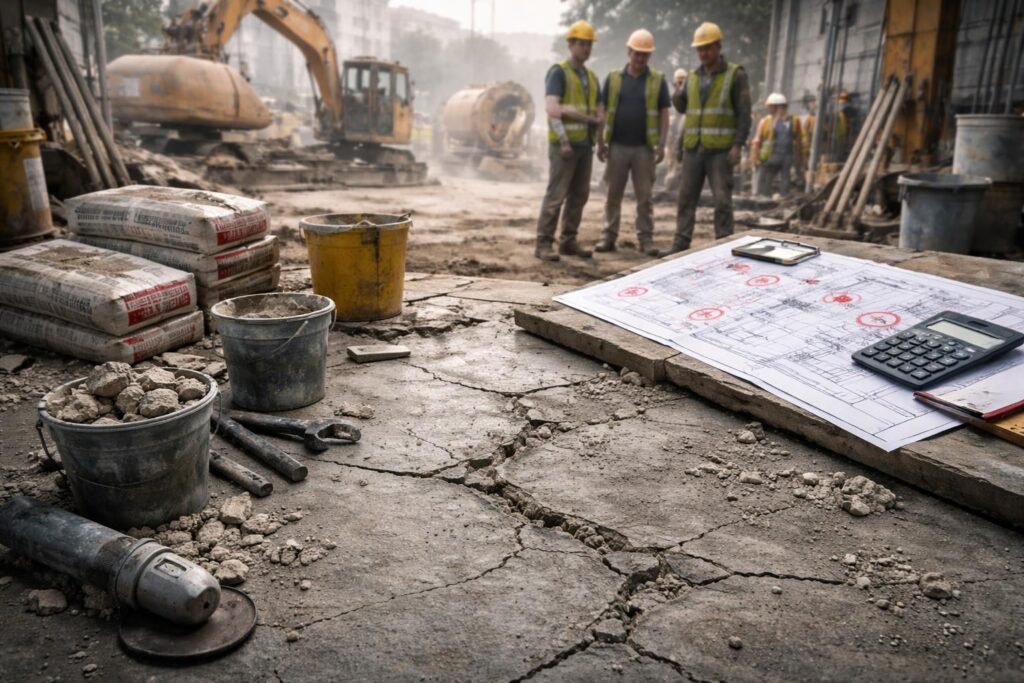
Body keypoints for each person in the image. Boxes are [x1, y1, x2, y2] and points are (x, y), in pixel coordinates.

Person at [661, 21, 751, 256]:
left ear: (719, 46)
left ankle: (724, 244)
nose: (703, 53)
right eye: (700, 49)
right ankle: (680, 244)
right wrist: (677, 92)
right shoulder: (692, 77)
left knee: (722, 201)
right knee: (686, 199)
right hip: (694, 149)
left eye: (707, 48)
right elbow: (682, 108)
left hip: (721, 151)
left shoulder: (735, 75)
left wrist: (737, 145)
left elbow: (744, 113)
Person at [594, 29, 670, 256]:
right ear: (629, 52)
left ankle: (645, 239)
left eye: (645, 55)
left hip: (644, 149)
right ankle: (608, 237)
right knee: (612, 195)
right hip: (617, 146)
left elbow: (664, 113)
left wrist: (662, 144)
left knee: (644, 197)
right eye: (637, 54)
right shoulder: (615, 78)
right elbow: (602, 110)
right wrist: (600, 141)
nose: (640, 58)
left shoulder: (657, 81)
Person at [534, 20, 601, 262]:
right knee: (556, 196)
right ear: (571, 44)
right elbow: (552, 109)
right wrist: (564, 140)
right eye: (581, 44)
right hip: (565, 147)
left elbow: (598, 112)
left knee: (579, 196)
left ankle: (568, 241)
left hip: (585, 145)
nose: (586, 48)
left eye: (589, 44)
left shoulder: (591, 78)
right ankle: (543, 243)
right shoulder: (558, 72)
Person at [750, 93, 803, 197]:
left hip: (772, 157)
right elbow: (799, 142)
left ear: (777, 106)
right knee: (783, 178)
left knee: (766, 178)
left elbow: (757, 141)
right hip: (783, 156)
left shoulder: (766, 121)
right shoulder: (794, 120)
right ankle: (781, 196)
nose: (768, 109)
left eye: (770, 106)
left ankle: (763, 197)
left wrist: (755, 157)